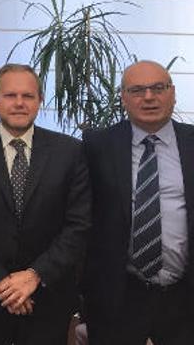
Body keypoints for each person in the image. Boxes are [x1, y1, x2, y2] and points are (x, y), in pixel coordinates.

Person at [0, 63, 90, 345]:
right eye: (11, 95)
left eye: (28, 96)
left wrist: (35, 276)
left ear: (39, 101)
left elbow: (78, 224)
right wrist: (4, 284)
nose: (19, 103)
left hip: (47, 297)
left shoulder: (69, 151)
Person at [82, 60, 194, 345]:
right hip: (118, 296)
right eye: (137, 90)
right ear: (123, 97)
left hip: (184, 296)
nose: (148, 97)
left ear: (173, 92)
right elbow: (80, 218)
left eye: (158, 87)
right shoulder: (96, 146)